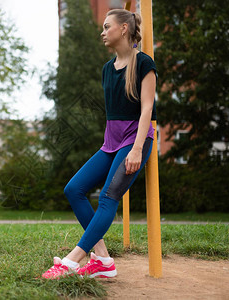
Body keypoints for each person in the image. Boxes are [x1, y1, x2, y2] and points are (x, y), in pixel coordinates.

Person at [41, 8, 157, 279]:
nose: (102, 32)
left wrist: (138, 148)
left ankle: (71, 262)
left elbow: (147, 109)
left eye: (107, 27)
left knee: (107, 197)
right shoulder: (107, 69)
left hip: (134, 141)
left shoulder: (144, 64)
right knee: (74, 189)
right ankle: (103, 259)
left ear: (124, 29)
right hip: (110, 143)